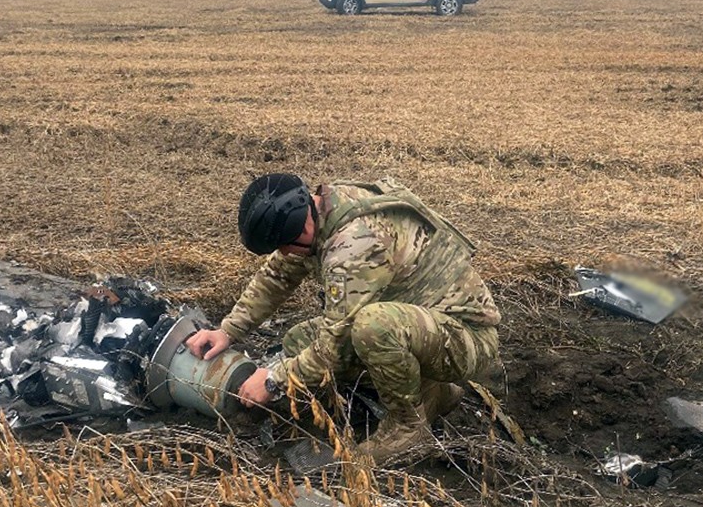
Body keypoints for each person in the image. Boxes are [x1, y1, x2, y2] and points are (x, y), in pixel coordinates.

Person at [186, 174, 501, 463]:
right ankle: (434, 393)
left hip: (465, 338)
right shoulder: (319, 211)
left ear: (302, 230)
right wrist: (228, 331)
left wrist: (273, 380)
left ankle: (408, 426)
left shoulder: (353, 244)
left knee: (372, 328)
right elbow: (276, 277)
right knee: (299, 339)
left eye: (284, 247)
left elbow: (333, 348)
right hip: (423, 325)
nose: (284, 254)